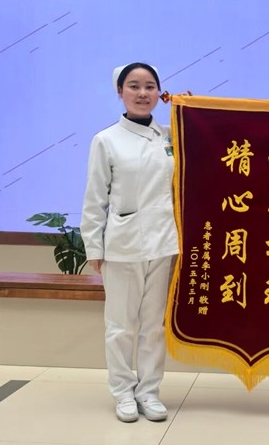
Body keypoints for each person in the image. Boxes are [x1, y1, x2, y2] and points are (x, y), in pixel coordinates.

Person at [81, 62, 179, 423]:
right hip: (123, 246)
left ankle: (149, 392)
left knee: (153, 326)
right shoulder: (106, 140)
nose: (142, 93)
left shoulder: (171, 137)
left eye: (150, 86)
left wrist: (191, 111)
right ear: (120, 92)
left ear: (159, 93)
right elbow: (95, 199)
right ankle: (123, 391)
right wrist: (94, 247)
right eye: (134, 86)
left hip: (163, 243)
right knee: (121, 326)